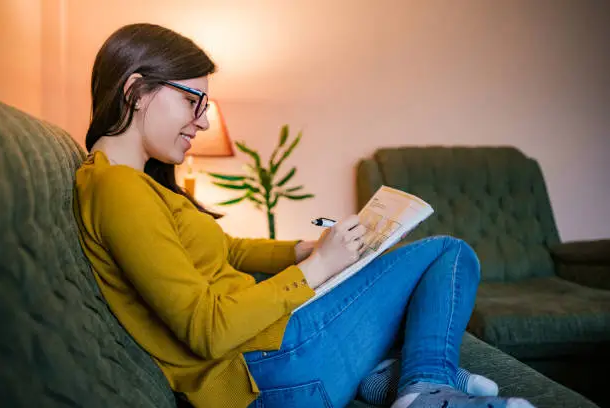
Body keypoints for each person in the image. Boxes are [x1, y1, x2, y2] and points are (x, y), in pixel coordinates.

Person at [73, 23, 535, 408]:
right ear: (136, 91)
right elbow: (207, 329)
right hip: (268, 370)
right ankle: (425, 383)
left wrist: (306, 249)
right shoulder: (117, 187)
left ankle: (397, 376)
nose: (203, 120)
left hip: (273, 354)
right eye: (192, 100)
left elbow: (227, 250)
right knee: (447, 255)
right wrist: (317, 269)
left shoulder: (141, 184)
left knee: (413, 268)